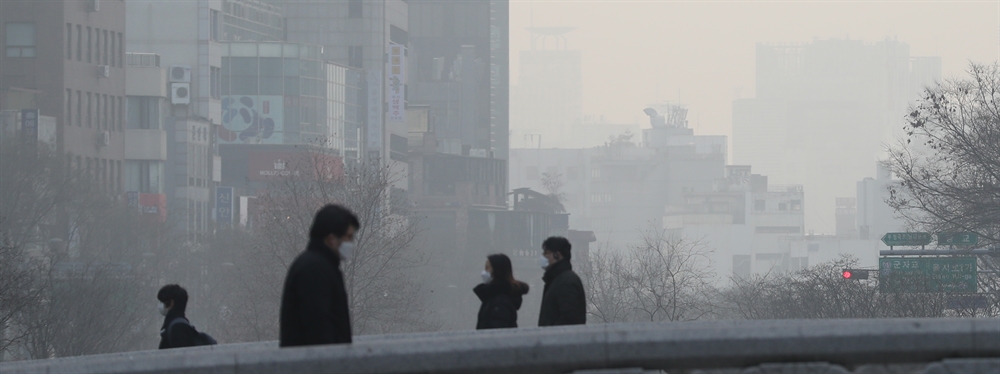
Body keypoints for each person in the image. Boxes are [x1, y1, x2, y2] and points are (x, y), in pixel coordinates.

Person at [280, 204, 359, 347]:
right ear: (331, 239)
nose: (351, 243)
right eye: (348, 237)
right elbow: (318, 327)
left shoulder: (318, 266)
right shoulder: (315, 271)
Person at [537, 236, 586, 326]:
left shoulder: (567, 282)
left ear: (557, 255)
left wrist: (551, 337)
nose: (543, 257)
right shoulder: (556, 280)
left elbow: (569, 320)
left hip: (558, 339)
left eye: (546, 253)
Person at [474, 254, 529, 329]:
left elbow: (497, 333)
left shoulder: (500, 302)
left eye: (487, 268)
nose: (484, 272)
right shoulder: (495, 297)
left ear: (497, 271)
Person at [157, 284, 201, 349]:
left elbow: (181, 357)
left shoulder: (177, 327)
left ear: (171, 303)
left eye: (162, 301)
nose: (160, 305)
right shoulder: (179, 324)